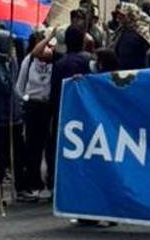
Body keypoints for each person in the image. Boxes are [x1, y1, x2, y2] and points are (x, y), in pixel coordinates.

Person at [47, 28, 93, 190]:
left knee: (61, 147)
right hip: (86, 112)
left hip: (63, 111)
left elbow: (54, 90)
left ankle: (56, 182)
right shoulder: (89, 61)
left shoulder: (59, 64)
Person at [15, 32, 56, 202]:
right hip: (33, 106)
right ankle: (34, 184)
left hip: (49, 107)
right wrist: (26, 99)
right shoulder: (29, 60)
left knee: (51, 147)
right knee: (33, 148)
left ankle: (52, 184)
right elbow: (19, 86)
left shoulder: (55, 60)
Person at [0, 30, 24, 206]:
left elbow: (16, 83)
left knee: (17, 154)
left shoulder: (11, 61)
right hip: (0, 117)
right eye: (9, 45)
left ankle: (20, 188)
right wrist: (10, 67)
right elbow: (5, 87)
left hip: (14, 115)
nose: (12, 49)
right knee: (0, 156)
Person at [113, 2, 150, 70]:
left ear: (131, 15)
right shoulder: (122, 30)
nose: (118, 17)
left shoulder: (143, 32)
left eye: (122, 15)